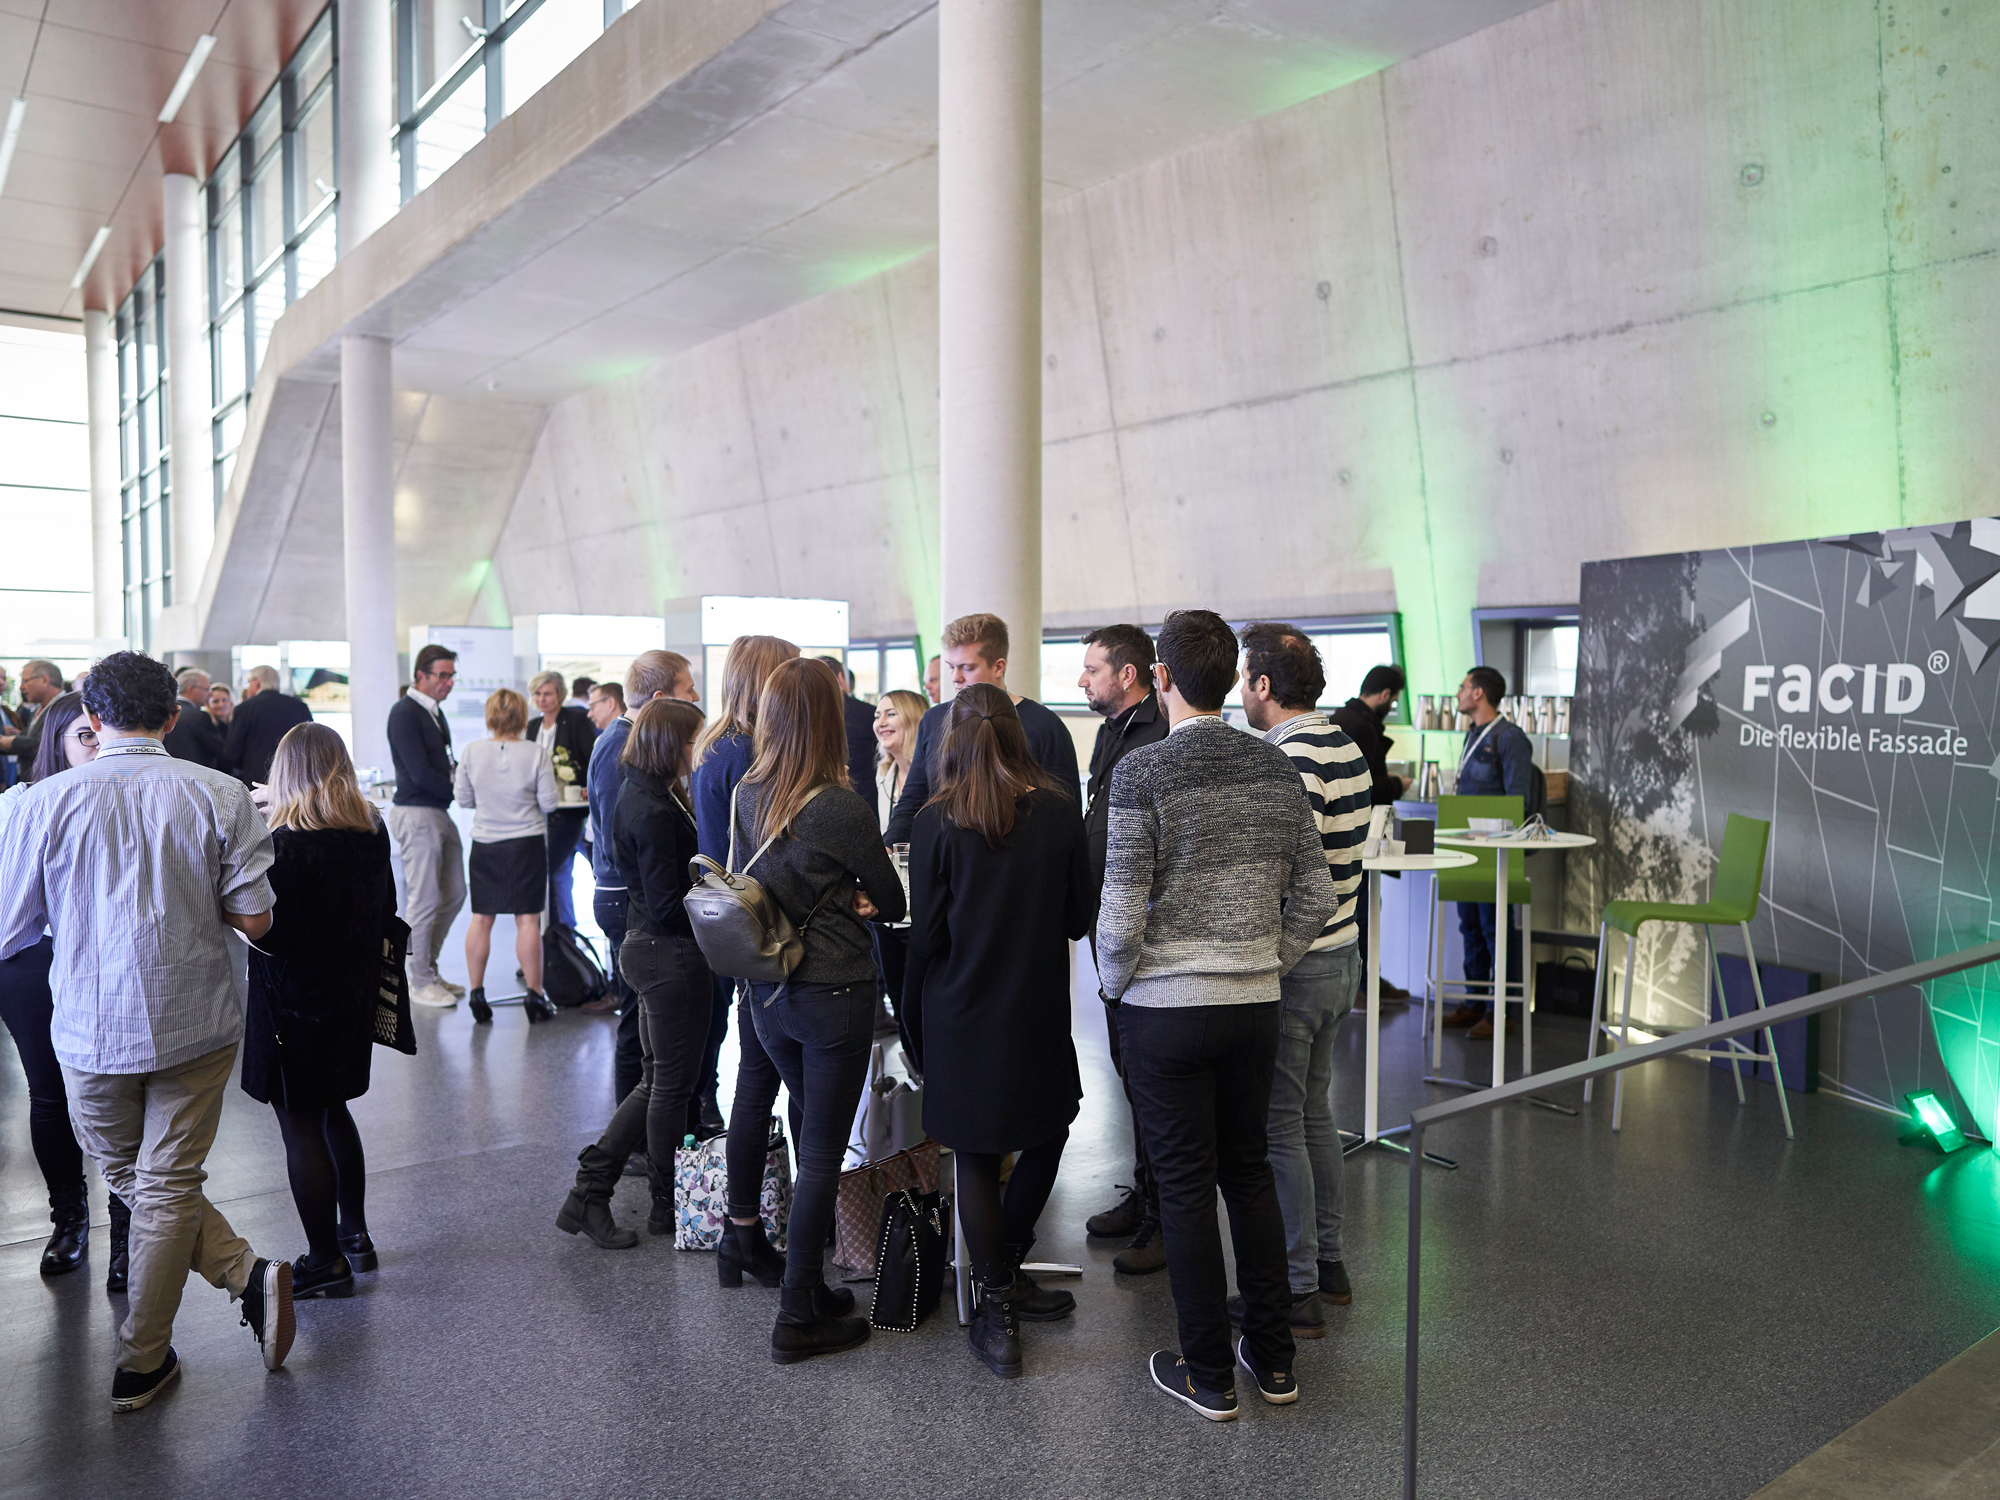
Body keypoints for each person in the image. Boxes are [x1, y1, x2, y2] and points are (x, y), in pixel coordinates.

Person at [0, 650, 293, 1410]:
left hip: (90, 1026)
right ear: (171, 717)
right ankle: (227, 1289)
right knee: (164, 1181)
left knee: (131, 1174)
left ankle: (156, 1350)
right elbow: (257, 920)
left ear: (92, 718)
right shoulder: (221, 794)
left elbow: (10, 929)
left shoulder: (39, 803)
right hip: (196, 1020)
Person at [1096, 610, 1336, 1422]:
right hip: (1253, 1006)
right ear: (1233, 678)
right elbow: (1317, 895)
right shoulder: (1274, 768)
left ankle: (1207, 1375)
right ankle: (1273, 1361)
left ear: (1160, 677)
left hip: (1166, 1013)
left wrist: (1116, 987)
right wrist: (1269, 961)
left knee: (1187, 1190)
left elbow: (1119, 919)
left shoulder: (1143, 772)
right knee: (1250, 1175)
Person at [906, 685, 1095, 1378]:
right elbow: (1077, 918)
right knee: (1049, 1132)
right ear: (1018, 734)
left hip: (959, 1011)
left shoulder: (936, 820)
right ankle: (1005, 1277)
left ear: (948, 741)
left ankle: (997, 1302)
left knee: (978, 1156)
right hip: (1034, 1004)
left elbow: (926, 936)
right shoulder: (1058, 811)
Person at [726, 657, 905, 1364]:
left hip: (769, 994)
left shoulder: (749, 791)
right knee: (824, 1152)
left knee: (813, 1137)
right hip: (833, 993)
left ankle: (812, 1290)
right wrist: (857, 895)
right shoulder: (838, 805)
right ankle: (797, 1311)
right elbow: (890, 898)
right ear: (829, 720)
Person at [1237, 624, 1372, 1334]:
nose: (1240, 690)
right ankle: (1329, 1264)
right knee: (1316, 1112)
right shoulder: (1345, 743)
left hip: (1301, 962)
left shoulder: (1285, 758)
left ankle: (1296, 1291)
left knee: (1280, 1125)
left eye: (1244, 678)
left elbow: (1286, 873)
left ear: (1263, 685)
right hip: (1344, 954)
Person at [240, 723, 397, 1300]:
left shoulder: (284, 846)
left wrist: (237, 923)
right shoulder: (370, 829)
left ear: (285, 773)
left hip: (295, 1003)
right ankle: (355, 1235)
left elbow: (270, 934)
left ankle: (324, 1260)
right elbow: (388, 908)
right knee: (335, 1111)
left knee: (300, 1124)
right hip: (350, 994)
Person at [557, 698, 712, 1249]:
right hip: (667, 953)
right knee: (670, 1085)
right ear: (671, 744)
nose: (698, 750)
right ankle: (655, 1203)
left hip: (650, 950)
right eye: (693, 740)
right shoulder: (650, 806)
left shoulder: (646, 792)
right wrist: (720, 903)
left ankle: (594, 1193)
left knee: (658, 1082)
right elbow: (668, 903)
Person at [0, 691, 132, 1289]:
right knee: (51, 1095)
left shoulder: (126, 797)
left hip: (110, 958)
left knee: (120, 1094)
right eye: (85, 735)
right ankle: (69, 1220)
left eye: (104, 734)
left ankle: (126, 1233)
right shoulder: (19, 804)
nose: (98, 746)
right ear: (55, 741)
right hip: (32, 958)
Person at [690, 636, 804, 1247]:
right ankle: (803, 1223)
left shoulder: (714, 746)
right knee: (795, 1079)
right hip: (773, 929)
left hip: (737, 927)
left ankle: (743, 1229)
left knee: (756, 1077)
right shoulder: (750, 752)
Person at [1074, 623, 1171, 1271]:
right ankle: (1145, 1194)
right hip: (1108, 925)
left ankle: (1163, 1218)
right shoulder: (1113, 732)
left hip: (1144, 931)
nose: (1082, 680)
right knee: (1127, 1068)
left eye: (1092, 669)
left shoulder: (1157, 737)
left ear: (1127, 674)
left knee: (1149, 1076)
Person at [592, 652, 704, 1115]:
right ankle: (640, 1139)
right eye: (687, 689)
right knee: (646, 1047)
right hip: (633, 904)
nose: (694, 696)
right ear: (660, 700)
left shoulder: (636, 760)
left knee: (654, 1051)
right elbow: (627, 843)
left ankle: (646, 1133)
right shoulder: (623, 753)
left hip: (638, 902)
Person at [884, 614, 1079, 846]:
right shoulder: (933, 720)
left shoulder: (1044, 725)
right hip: (947, 855)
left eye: (967, 668)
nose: (956, 678)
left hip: (1020, 857)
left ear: (999, 667)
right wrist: (889, 845)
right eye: (951, 667)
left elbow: (1066, 813)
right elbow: (913, 799)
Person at [455, 688, 560, 1024]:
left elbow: (463, 799)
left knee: (481, 919)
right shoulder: (535, 752)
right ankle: (535, 995)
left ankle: (476, 993)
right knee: (527, 920)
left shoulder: (472, 751)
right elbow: (550, 803)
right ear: (521, 717)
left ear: (490, 716)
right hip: (526, 844)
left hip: (485, 844)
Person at [1444, 665, 1535, 1039]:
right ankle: (1475, 1002)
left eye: (1463, 686)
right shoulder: (1473, 734)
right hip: (1467, 847)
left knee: (1495, 928)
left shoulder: (1510, 738)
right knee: (1470, 926)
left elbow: (1518, 801)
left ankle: (1501, 1012)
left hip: (1494, 851)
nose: (1459, 693)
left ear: (1478, 692)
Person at [386, 645, 465, 1009]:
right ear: (421, 675)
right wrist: (461, 791)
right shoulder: (405, 712)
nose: (448, 682)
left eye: (452, 676)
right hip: (417, 813)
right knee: (425, 900)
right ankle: (417, 980)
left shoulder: (434, 712)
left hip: (437, 811)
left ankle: (427, 969)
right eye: (442, 675)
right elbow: (418, 773)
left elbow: (443, 764)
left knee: (455, 893)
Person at [1331, 663, 1411, 1002]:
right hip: (1361, 834)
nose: (1391, 707)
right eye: (1393, 702)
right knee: (1364, 910)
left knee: (1353, 909)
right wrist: (1397, 784)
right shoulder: (1364, 727)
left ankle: (1361, 982)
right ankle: (1364, 986)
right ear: (1385, 695)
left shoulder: (1338, 717)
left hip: (1339, 833)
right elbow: (1365, 786)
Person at [869, 688, 927, 1056]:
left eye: (890, 713)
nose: (880, 722)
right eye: (878, 715)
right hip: (890, 907)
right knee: (898, 999)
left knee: (919, 1004)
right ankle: (917, 1074)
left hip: (925, 908)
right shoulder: (884, 774)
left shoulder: (937, 777)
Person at [526, 670, 596, 931]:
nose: (542, 699)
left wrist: (587, 786)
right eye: (538, 694)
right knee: (551, 872)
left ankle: (558, 933)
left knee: (550, 868)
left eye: (548, 693)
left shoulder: (575, 720)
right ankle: (554, 932)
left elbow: (590, 759)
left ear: (560, 694)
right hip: (541, 810)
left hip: (571, 809)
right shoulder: (533, 726)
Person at [222, 665, 313, 787]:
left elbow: (232, 752)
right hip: (294, 780)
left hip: (256, 781)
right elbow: (311, 744)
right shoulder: (300, 707)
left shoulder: (244, 709)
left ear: (256, 683)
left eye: (248, 684)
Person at [820, 656, 877, 799]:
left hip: (818, 799)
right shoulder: (871, 713)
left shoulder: (803, 715)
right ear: (840, 678)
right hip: (865, 799)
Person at [0, 658, 63, 776]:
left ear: (44, 680)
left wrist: (13, 742)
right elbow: (34, 738)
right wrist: (18, 736)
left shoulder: (64, 708)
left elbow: (48, 744)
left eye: (25, 681)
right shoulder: (39, 708)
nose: (21, 687)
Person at [163, 668, 223, 767]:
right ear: (190, 689)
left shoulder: (164, 711)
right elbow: (219, 751)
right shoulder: (199, 716)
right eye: (207, 689)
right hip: (193, 772)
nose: (210, 694)